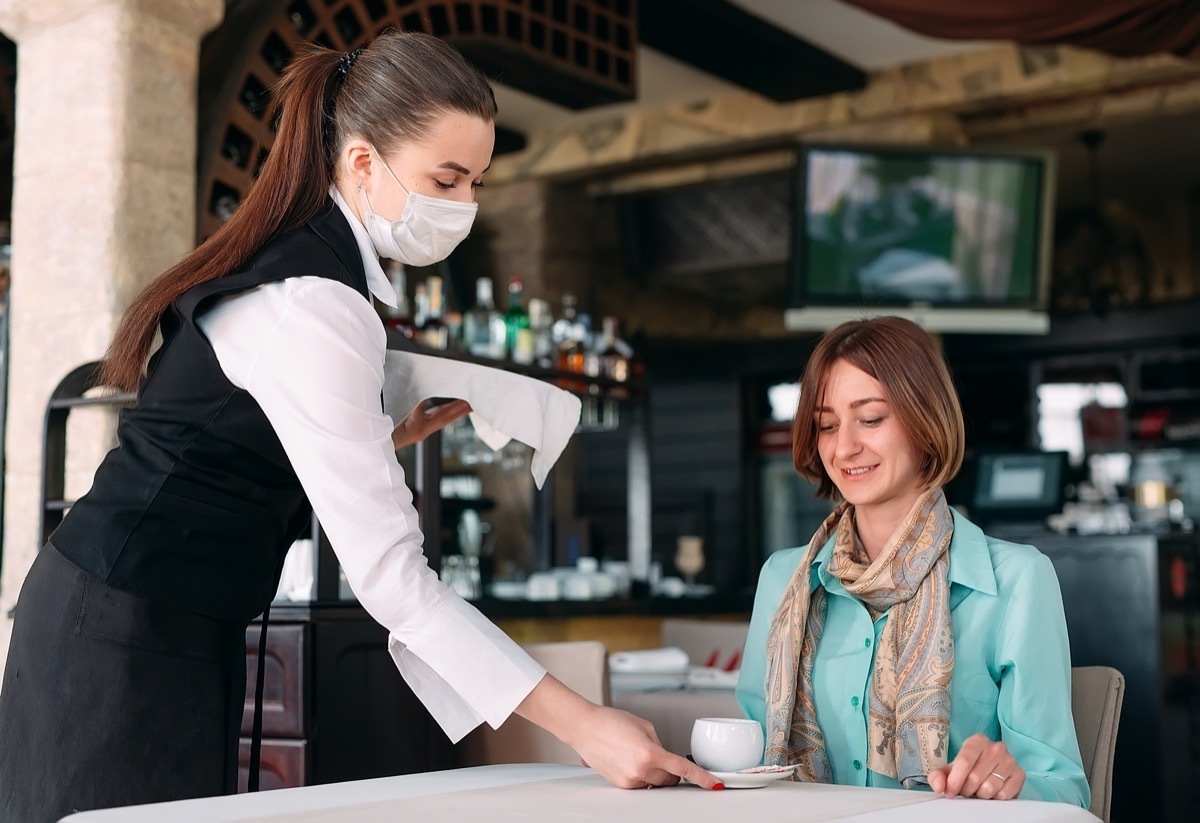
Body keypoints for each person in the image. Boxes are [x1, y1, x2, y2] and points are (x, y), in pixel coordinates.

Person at [0, 30, 718, 822]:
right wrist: (585, 726)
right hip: (117, 627)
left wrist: (387, 438)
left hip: (159, 618)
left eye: (475, 182)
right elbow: (395, 582)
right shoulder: (317, 301)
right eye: (445, 179)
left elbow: (244, 448)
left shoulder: (315, 271)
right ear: (363, 163)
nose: (463, 206)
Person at [735, 316, 1089, 805]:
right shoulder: (783, 579)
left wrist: (1010, 782)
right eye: (826, 425)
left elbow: (1066, 794)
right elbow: (750, 765)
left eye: (872, 418)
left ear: (926, 419)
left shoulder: (1016, 582)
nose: (844, 447)